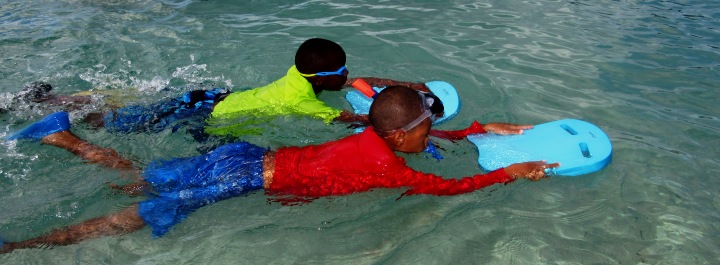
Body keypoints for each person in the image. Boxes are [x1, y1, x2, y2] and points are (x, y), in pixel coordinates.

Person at [0, 85, 558, 254]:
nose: (428, 134)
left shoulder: (371, 132)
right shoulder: (396, 170)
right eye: (422, 130)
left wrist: (479, 130)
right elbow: (452, 187)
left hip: (245, 159)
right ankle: (23, 245)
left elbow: (422, 136)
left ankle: (61, 135)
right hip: (242, 179)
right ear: (396, 136)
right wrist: (509, 173)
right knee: (139, 214)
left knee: (142, 176)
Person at [5, 38, 433, 139]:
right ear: (322, 80)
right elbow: (356, 118)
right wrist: (403, 116)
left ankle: (56, 96)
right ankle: (39, 106)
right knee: (114, 121)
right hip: (208, 114)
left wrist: (403, 85)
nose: (349, 76)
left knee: (139, 104)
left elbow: (358, 84)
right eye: (344, 73)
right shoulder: (301, 100)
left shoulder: (299, 75)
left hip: (215, 95)